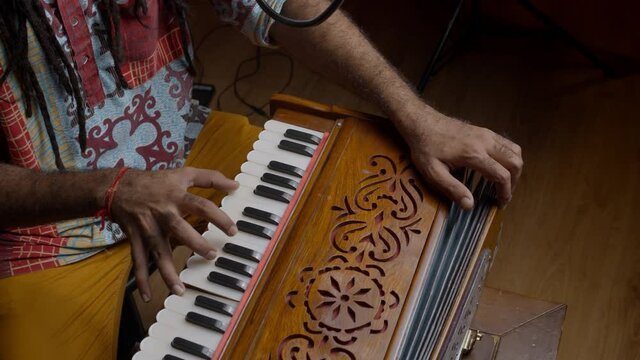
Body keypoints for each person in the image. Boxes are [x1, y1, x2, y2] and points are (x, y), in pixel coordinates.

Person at [0, 0, 523, 358]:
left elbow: (283, 4)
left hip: (181, 151)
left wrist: (415, 113)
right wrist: (109, 189)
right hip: (46, 232)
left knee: (365, 216)